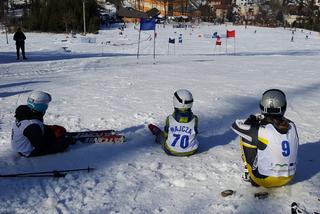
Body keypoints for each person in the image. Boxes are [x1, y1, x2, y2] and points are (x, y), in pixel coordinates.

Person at [231, 89, 299, 188]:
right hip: (289, 177)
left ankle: (248, 173)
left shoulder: (260, 130)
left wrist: (252, 121)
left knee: (246, 137)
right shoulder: (292, 126)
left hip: (265, 180)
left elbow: (236, 125)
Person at [11, 91, 71, 157]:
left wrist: (50, 128)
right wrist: (63, 143)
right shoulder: (32, 125)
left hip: (25, 142)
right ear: (41, 106)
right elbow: (41, 146)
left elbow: (31, 129)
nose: (47, 105)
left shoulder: (26, 113)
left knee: (53, 133)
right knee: (62, 144)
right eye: (46, 104)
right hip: (27, 151)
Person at [149, 89, 199, 156]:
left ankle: (157, 134)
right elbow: (195, 133)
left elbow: (166, 135)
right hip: (192, 151)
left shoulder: (170, 119)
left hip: (171, 151)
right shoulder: (195, 119)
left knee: (162, 136)